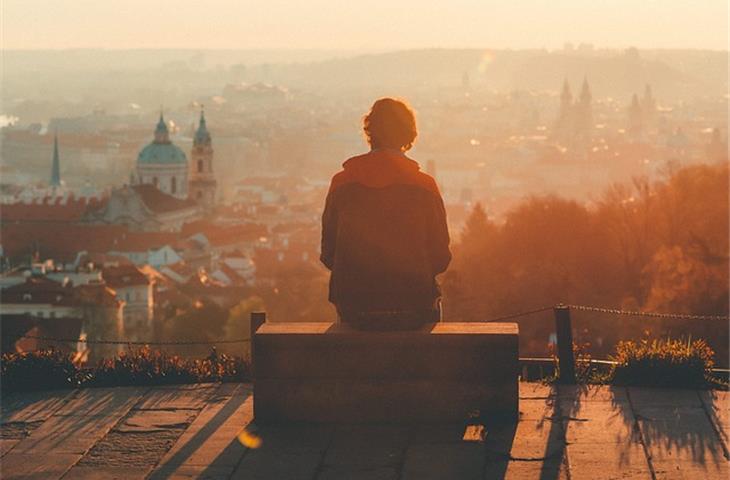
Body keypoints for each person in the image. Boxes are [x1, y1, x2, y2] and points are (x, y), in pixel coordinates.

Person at [320, 98, 451, 330]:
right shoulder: (424, 186)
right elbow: (441, 256)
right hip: (414, 306)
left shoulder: (342, 183)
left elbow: (329, 253)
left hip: (356, 308)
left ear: (370, 132)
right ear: (409, 134)